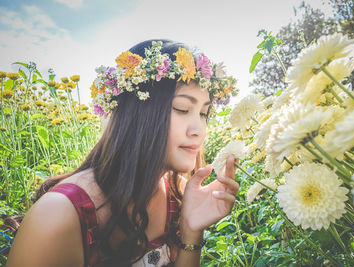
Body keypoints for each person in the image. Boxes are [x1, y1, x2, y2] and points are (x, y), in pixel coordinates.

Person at [5, 39, 240, 266]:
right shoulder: (59, 215)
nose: (199, 130)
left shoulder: (177, 193)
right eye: (182, 108)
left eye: (203, 113)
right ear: (138, 113)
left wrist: (191, 231)